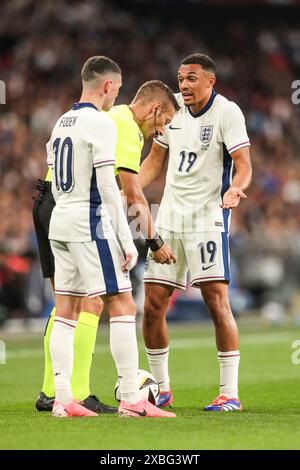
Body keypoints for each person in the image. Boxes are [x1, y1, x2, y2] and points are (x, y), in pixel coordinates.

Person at [34, 76, 179, 412]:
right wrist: (149, 239)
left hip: (51, 203)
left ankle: (56, 393)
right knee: (112, 303)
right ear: (155, 108)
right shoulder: (124, 126)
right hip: (79, 211)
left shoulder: (85, 119)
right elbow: (132, 192)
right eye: (166, 122)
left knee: (70, 304)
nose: (162, 131)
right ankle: (104, 396)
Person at [140, 53, 252, 411]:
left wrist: (235, 188)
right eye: (180, 78)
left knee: (216, 301)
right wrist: (124, 187)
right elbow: (155, 162)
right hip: (170, 219)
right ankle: (162, 388)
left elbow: (245, 165)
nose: (184, 85)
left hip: (208, 217)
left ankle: (229, 393)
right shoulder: (171, 113)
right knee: (153, 303)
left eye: (191, 78)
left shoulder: (227, 112)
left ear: (210, 81)